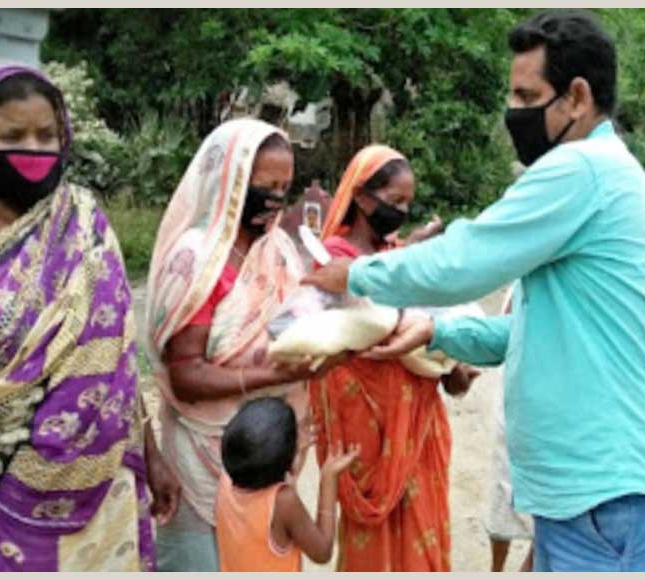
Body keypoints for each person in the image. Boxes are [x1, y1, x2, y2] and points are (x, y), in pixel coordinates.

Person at [303, 11, 645, 572]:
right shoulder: (606, 174)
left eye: (526, 95)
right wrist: (439, 331)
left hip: (612, 501)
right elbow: (536, 330)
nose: (513, 113)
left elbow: (466, 259)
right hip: (594, 501)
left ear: (578, 97)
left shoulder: (581, 169)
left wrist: (355, 276)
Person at [0, 61, 179, 571]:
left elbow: (115, 355)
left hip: (105, 493)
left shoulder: (84, 225)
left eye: (46, 135)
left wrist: (152, 455)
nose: (33, 149)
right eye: (12, 135)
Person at [144, 118, 342, 571]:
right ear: (230, 182)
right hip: (202, 453)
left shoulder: (279, 251)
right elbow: (187, 374)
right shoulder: (195, 260)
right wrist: (277, 375)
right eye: (264, 185)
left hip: (269, 450)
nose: (275, 198)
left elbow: (297, 323)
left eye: (285, 186)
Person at [307, 144, 478, 572]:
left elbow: (429, 333)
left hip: (417, 427)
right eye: (395, 201)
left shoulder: (398, 256)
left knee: (422, 532)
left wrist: (454, 369)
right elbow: (364, 321)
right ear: (363, 198)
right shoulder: (335, 259)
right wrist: (410, 257)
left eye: (407, 203)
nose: (402, 211)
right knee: (374, 547)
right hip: (367, 436)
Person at [215, 396, 360, 571]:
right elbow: (322, 552)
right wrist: (328, 478)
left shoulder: (229, 474)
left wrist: (294, 452)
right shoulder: (283, 501)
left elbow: (271, 479)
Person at [484, 288, 534, 573]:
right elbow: (502, 334)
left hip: (551, 410)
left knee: (547, 500)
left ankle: (527, 567)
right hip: (514, 401)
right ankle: (497, 569)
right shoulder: (521, 284)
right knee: (503, 489)